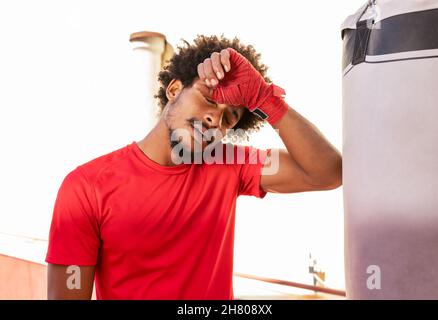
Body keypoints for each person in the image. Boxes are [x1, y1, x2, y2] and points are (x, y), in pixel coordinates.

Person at [46, 35, 342, 300]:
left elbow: (327, 172)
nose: (215, 119)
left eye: (229, 118)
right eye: (209, 98)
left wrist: (265, 99)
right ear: (174, 89)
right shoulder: (86, 186)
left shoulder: (230, 164)